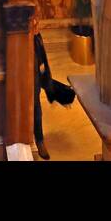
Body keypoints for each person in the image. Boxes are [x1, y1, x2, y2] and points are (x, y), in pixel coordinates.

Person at [33, 31, 76, 159]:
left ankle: (39, 140)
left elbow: (43, 67)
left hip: (31, 40)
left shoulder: (36, 39)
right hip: (20, 40)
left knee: (35, 102)